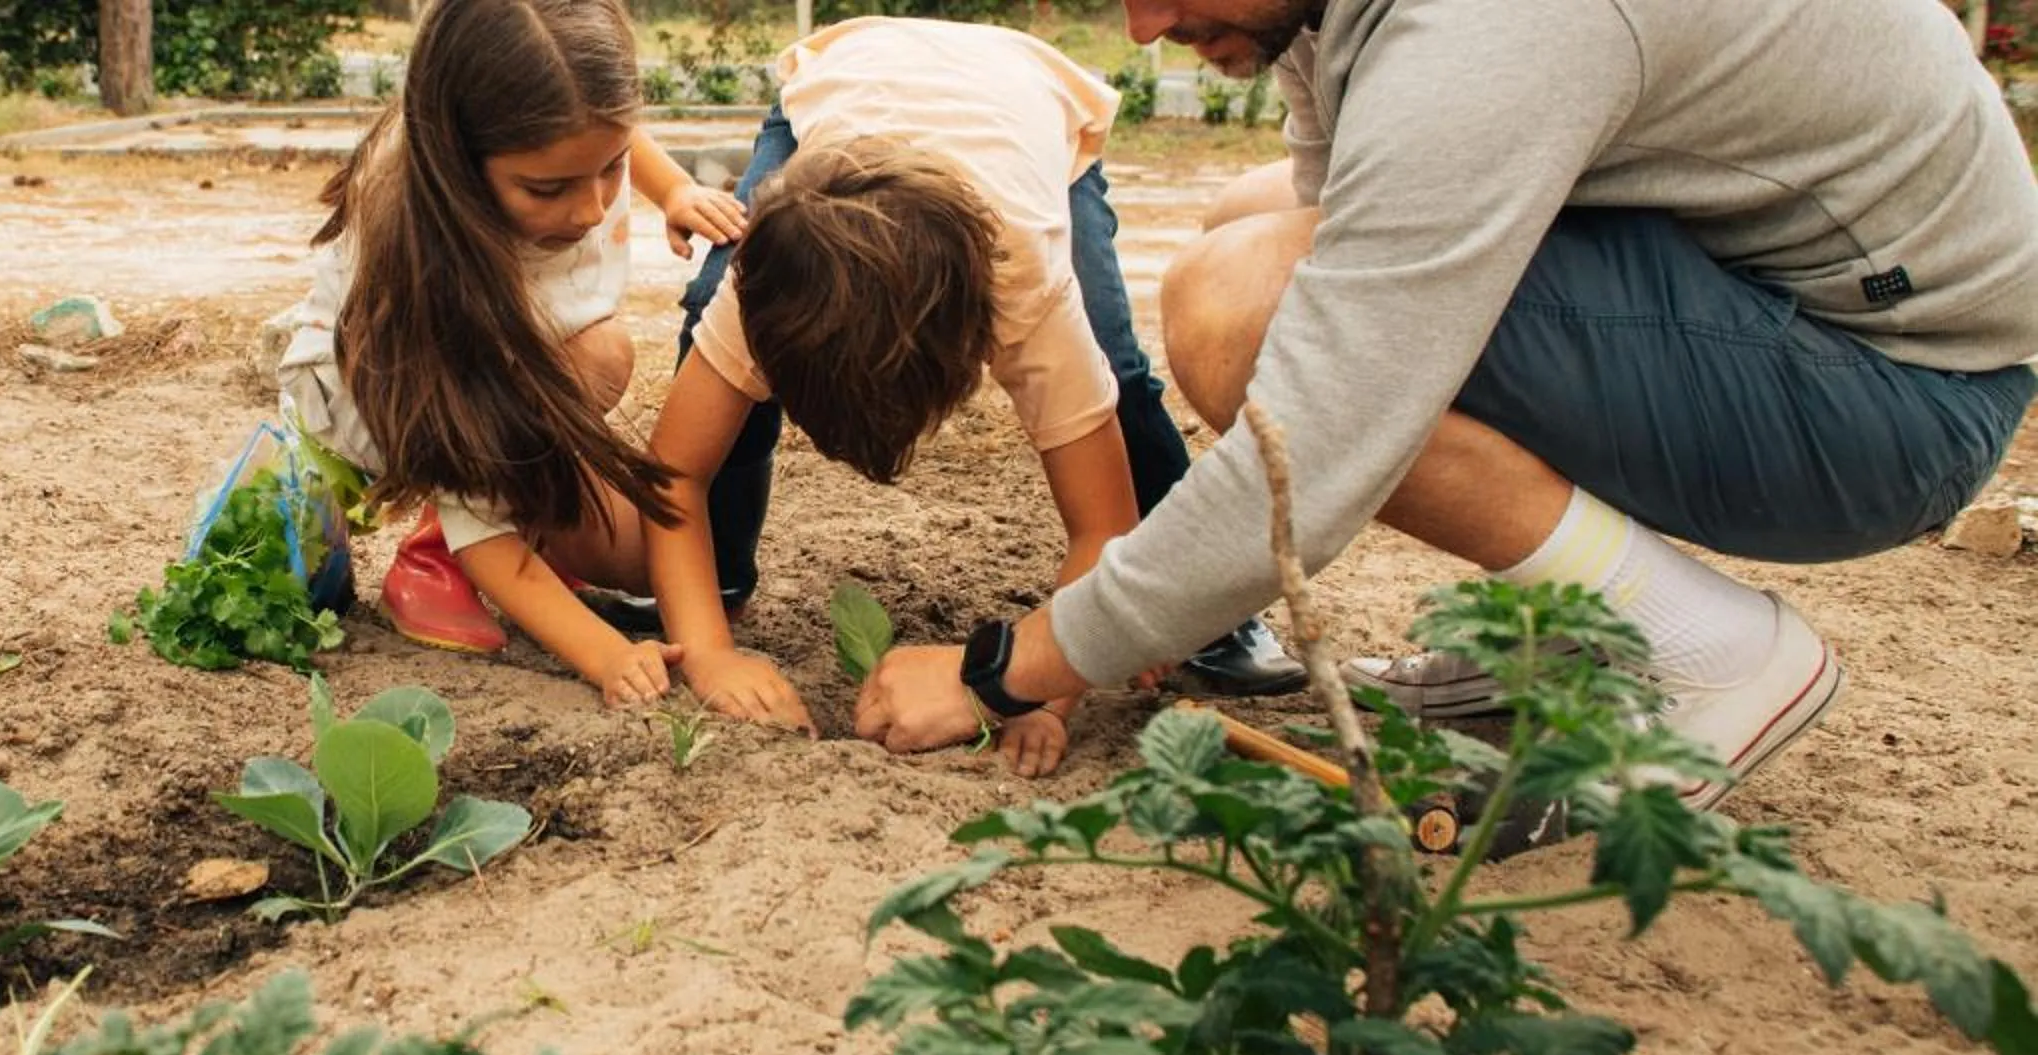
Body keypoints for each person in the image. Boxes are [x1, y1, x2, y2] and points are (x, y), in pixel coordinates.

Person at [858, 0, 2038, 809]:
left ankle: (1725, 654)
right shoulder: (1337, 20)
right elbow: (1341, 248)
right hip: (1787, 303)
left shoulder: (1485, 32)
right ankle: (1584, 644)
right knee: (1244, 228)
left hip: (1892, 393)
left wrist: (1009, 668)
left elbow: (1325, 430)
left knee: (1237, 308)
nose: (1144, 24)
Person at [630, 17, 1302, 776]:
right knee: (705, 306)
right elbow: (675, 470)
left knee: (1114, 373)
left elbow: (1098, 523)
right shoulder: (763, 286)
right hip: (841, 84)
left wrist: (1039, 693)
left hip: (1033, 103)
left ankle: (1205, 610)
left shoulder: (1026, 291)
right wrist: (710, 653)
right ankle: (717, 578)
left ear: (976, 353)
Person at [276, 0, 747, 705]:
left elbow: (612, 127)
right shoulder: (434, 283)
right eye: (548, 187)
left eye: (609, 169)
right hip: (381, 387)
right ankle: (432, 556)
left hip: (519, 356)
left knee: (639, 548)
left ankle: (513, 496)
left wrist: (672, 188)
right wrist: (607, 655)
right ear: (459, 164)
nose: (591, 210)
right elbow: (483, 518)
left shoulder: (565, 134)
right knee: (502, 473)